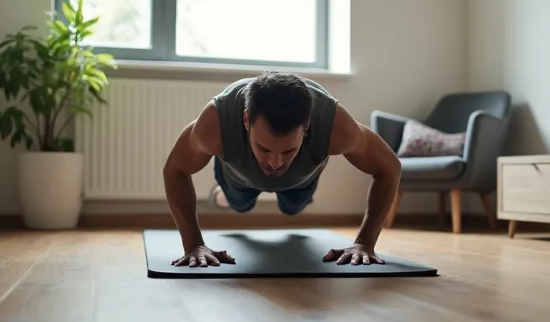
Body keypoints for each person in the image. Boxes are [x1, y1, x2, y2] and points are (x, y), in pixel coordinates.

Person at [162, 71, 402, 268]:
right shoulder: (215, 122)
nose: (275, 164)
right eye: (263, 148)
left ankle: (286, 187)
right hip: (237, 178)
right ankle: (222, 195)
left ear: (306, 126)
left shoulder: (337, 125)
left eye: (287, 151)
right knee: (239, 203)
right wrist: (193, 244)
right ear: (246, 120)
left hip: (301, 181)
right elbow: (175, 170)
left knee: (293, 207)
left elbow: (389, 167)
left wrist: (365, 242)